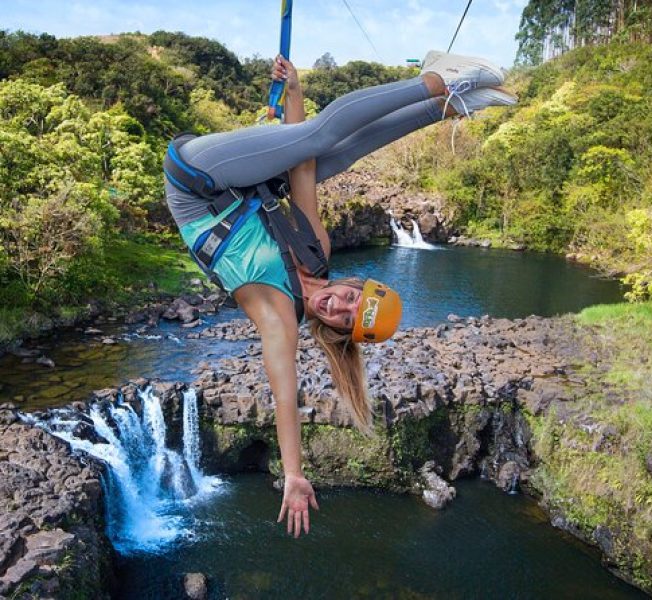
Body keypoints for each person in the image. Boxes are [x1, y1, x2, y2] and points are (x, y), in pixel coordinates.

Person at [164, 50, 516, 538]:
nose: (339, 305)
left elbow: (284, 394)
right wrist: (295, 93)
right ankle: (447, 98)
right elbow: (303, 165)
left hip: (194, 183)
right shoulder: (317, 250)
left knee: (326, 139)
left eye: (344, 318)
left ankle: (438, 84)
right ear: (354, 284)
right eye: (353, 298)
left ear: (334, 330)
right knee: (336, 152)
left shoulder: (277, 313)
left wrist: (292, 472)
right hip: (239, 185)